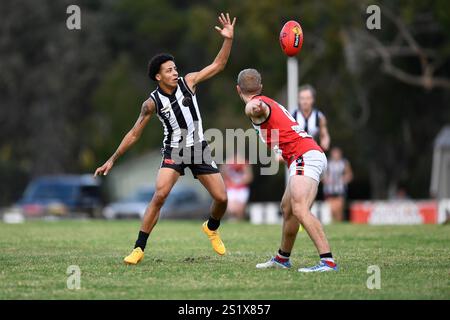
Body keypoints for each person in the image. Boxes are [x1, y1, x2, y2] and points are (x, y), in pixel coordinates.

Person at [94, 13, 236, 265]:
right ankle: (138, 248)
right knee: (159, 196)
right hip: (175, 150)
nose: (174, 72)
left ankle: (211, 227)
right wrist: (112, 160)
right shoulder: (151, 103)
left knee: (222, 198)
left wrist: (227, 40)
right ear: (158, 76)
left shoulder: (189, 82)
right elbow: (134, 133)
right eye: (169, 70)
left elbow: (218, 66)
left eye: (175, 68)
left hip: (199, 148)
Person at [236, 68, 338, 272]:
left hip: (305, 157)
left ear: (238, 90)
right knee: (288, 208)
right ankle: (282, 258)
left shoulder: (258, 104)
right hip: (304, 156)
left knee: (299, 208)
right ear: (261, 87)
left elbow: (257, 107)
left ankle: (328, 261)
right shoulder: (270, 101)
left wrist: (253, 107)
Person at [292, 84, 330, 151]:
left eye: (308, 98)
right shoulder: (292, 116)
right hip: (296, 152)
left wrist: (325, 142)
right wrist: (278, 152)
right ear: (298, 100)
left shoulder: (319, 116)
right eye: (302, 98)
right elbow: (282, 134)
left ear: (313, 99)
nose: (305, 101)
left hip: (313, 151)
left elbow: (324, 135)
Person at [323, 147, 353, 222]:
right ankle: (333, 223)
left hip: (340, 189)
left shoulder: (344, 163)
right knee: (331, 209)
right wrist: (326, 180)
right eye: (334, 153)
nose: (336, 155)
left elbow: (349, 175)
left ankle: (339, 223)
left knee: (339, 208)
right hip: (329, 189)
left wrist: (344, 179)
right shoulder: (328, 162)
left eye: (337, 153)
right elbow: (322, 175)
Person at [220, 153, 253, 221]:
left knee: (240, 208)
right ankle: (231, 220)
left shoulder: (244, 165)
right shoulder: (228, 165)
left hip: (241, 188)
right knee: (230, 208)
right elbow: (222, 174)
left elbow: (249, 177)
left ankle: (239, 220)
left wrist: (238, 183)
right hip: (231, 188)